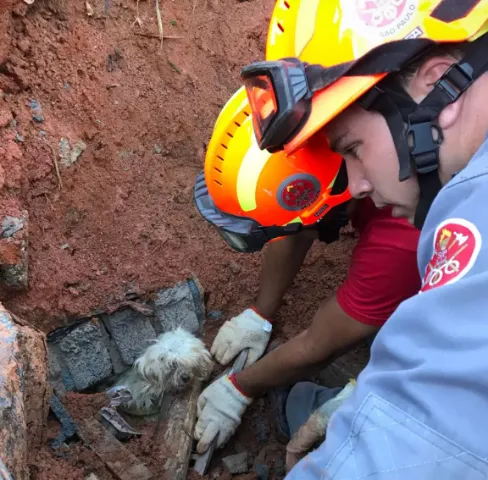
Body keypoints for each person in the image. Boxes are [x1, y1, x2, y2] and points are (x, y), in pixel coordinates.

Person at [233, 1, 488, 478]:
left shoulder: (444, 225)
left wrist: (237, 387)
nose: (357, 184)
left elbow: (426, 439)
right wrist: (258, 313)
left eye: (352, 149)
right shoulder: (423, 168)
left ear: (437, 83)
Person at [192, 82, 421, 460]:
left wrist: (239, 388)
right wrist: (259, 314)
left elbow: (321, 344)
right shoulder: (331, 109)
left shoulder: (404, 233)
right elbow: (297, 221)